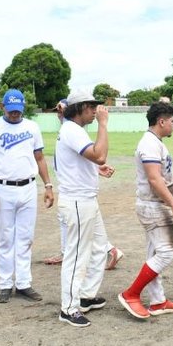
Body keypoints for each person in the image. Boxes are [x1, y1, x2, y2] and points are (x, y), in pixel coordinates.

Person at [118, 102, 173, 319]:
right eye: (171, 122)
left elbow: (165, 179)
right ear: (161, 121)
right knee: (166, 253)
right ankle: (130, 294)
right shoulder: (150, 144)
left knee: (154, 253)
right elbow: (154, 180)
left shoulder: (156, 143)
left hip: (154, 204)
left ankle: (158, 301)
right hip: (152, 206)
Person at [0, 89, 54, 303]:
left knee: (25, 238)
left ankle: (23, 283)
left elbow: (39, 158)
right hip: (2, 188)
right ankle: (5, 284)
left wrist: (48, 185)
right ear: (3, 107)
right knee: (5, 238)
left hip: (28, 187)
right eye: (11, 110)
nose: (15, 114)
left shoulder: (32, 126)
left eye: (18, 110)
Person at [43, 99, 125, 270]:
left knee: (79, 249)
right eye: (57, 111)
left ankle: (98, 253)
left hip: (77, 196)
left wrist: (103, 124)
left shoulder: (72, 129)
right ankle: (82, 259)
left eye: (61, 110)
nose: (58, 113)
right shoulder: (70, 129)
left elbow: (98, 156)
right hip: (76, 194)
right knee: (85, 240)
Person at [55, 89, 113, 327]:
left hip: (86, 199)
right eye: (90, 107)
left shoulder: (74, 130)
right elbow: (99, 155)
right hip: (78, 201)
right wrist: (103, 124)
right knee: (77, 255)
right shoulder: (71, 129)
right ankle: (68, 308)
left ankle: (85, 296)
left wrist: (95, 170)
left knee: (100, 248)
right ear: (78, 108)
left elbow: (84, 160)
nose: (93, 111)